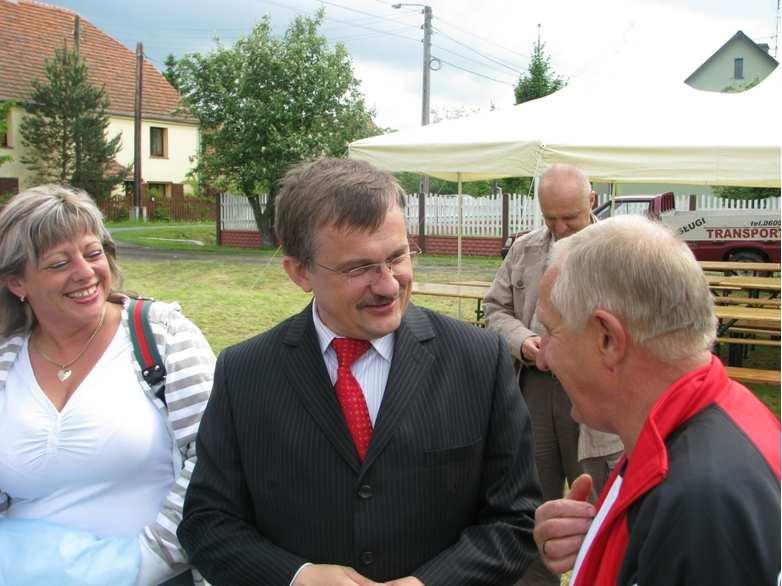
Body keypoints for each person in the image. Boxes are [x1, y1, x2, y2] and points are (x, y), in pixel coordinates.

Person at [178, 157, 541, 585]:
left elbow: (516, 518)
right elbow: (206, 521)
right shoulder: (245, 372)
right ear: (299, 272)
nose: (388, 284)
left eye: (398, 257)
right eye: (358, 268)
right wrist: (297, 578)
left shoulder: (478, 359)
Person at [533, 215, 780, 585]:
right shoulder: (701, 420)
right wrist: (607, 542)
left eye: (550, 332)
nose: (541, 357)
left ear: (608, 340)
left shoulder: (700, 505)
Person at [0, 185, 215, 585]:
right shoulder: (6, 362)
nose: (85, 272)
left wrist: (141, 564)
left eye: (93, 252)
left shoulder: (161, 336)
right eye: (58, 263)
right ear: (17, 284)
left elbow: (214, 458)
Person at [483, 164, 623, 584]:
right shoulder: (525, 248)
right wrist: (525, 342)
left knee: (599, 509)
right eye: (551, 218)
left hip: (599, 400)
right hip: (535, 394)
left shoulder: (619, 252)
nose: (560, 228)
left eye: (570, 217)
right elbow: (495, 309)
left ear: (592, 201)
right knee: (531, 506)